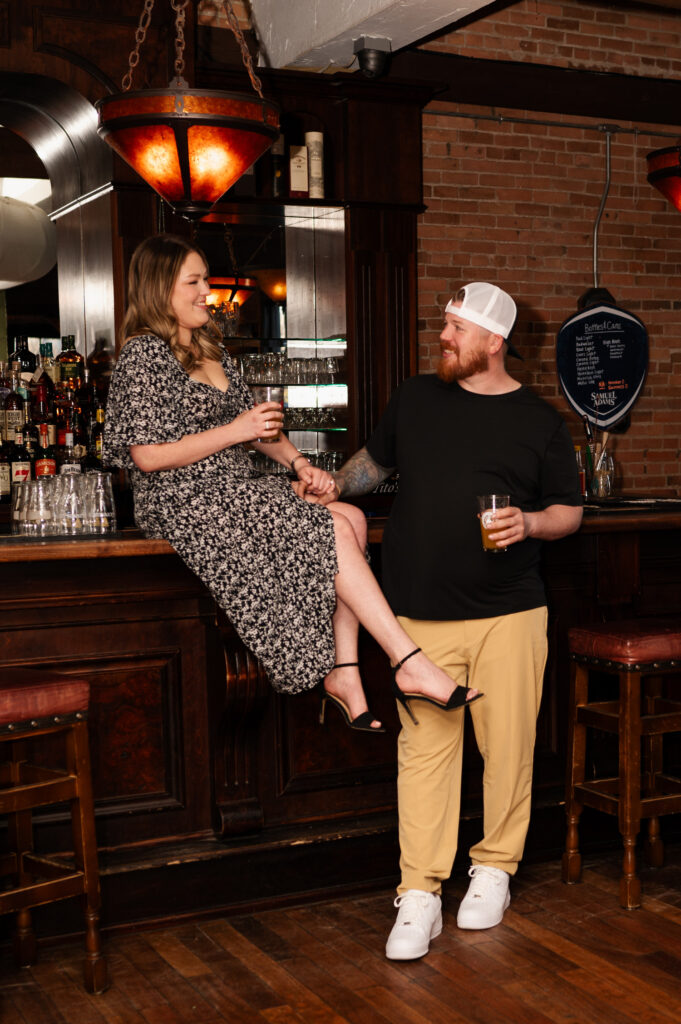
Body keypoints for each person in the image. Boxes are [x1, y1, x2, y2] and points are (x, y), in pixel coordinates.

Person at [102, 233, 480, 735]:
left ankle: (344, 671)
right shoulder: (143, 355)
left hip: (233, 488)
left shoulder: (211, 348)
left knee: (351, 517)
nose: (205, 292)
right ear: (157, 290)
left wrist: (300, 464)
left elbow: (259, 431)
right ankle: (406, 659)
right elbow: (145, 457)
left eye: (205, 281)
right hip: (181, 498)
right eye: (192, 282)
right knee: (334, 528)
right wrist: (236, 431)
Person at [304, 282, 583, 956]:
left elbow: (568, 511)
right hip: (415, 615)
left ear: (494, 340)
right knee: (423, 755)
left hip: (508, 612)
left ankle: (492, 870)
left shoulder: (539, 422)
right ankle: (419, 892)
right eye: (445, 326)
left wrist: (531, 521)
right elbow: (374, 464)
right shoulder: (415, 397)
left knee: (507, 749)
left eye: (456, 328)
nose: (444, 337)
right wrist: (334, 484)